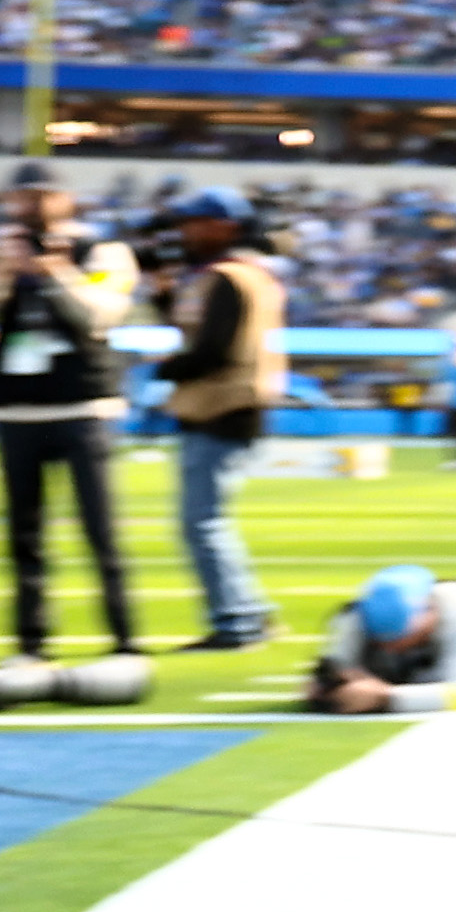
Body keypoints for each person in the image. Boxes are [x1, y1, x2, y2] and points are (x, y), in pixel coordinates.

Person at [0, 176, 140, 659]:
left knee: (101, 531)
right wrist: (4, 274)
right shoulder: (2, 253)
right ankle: (31, 642)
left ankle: (124, 638)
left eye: (40, 196)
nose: (30, 206)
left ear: (64, 199)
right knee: (24, 536)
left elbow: (101, 316)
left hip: (81, 406)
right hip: (16, 409)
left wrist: (57, 271)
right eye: (21, 197)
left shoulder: (102, 251)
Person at [153, 185, 288, 652]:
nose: (185, 231)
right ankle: (249, 612)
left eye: (195, 223)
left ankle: (237, 620)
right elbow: (192, 329)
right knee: (210, 521)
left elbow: (212, 350)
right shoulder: (242, 274)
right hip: (232, 407)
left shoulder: (229, 277)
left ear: (223, 227)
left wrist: (165, 369)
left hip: (221, 408)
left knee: (203, 524)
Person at [307, 562, 456, 715]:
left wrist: (385, 697)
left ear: (429, 613)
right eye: (381, 642)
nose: (391, 649)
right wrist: (327, 686)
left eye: (400, 639)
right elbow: (333, 667)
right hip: (424, 673)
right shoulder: (357, 615)